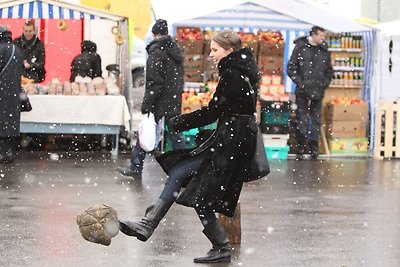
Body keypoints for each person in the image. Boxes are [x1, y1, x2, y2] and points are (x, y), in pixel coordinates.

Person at [119, 30, 262, 263]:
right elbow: (233, 111)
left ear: (230, 50)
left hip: (230, 145)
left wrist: (181, 122)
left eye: (216, 50)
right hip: (231, 142)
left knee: (188, 180)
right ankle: (218, 246)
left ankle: (151, 225)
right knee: (193, 187)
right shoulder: (243, 72)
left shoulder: (233, 74)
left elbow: (215, 111)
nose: (212, 54)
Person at [117, 19, 185, 179]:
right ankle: (184, 168)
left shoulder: (157, 53)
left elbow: (155, 83)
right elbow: (178, 79)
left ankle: (136, 166)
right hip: (173, 99)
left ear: (154, 35)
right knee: (176, 134)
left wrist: (147, 104)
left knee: (145, 132)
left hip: (159, 101)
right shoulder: (175, 51)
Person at [287, 26, 333, 160]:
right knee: (301, 118)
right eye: (321, 36)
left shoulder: (324, 50)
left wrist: (323, 84)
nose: (323, 39)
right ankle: (302, 145)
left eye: (324, 36)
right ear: (313, 34)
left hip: (318, 89)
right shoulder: (300, 47)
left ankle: (313, 147)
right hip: (302, 89)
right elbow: (291, 68)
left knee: (316, 119)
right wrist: (301, 83)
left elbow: (329, 71)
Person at [0, 26, 23, 163]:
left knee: (1, 123)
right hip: (14, 92)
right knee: (11, 123)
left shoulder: (1, 49)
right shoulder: (17, 50)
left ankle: (2, 153)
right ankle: (10, 153)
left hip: (2, 92)